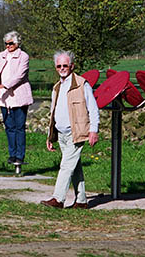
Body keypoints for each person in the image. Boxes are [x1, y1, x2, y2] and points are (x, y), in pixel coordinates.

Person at [41, 50, 99, 209]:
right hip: (61, 134)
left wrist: (94, 130)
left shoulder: (82, 84)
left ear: (72, 66)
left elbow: (93, 109)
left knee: (66, 166)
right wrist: (50, 136)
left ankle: (58, 198)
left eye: (65, 65)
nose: (62, 68)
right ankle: (81, 201)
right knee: (75, 167)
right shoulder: (56, 87)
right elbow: (53, 112)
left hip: (77, 133)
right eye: (59, 66)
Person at [0, 31, 33, 164]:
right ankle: (12, 154)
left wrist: (4, 85)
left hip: (19, 96)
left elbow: (20, 75)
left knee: (19, 127)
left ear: (17, 43)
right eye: (6, 44)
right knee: (9, 127)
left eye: (11, 43)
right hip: (3, 98)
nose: (8, 46)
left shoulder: (23, 56)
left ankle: (20, 155)